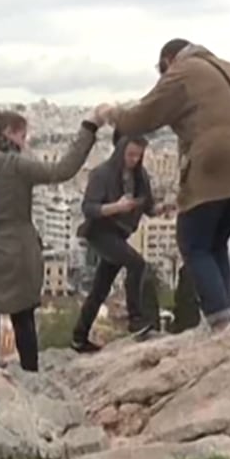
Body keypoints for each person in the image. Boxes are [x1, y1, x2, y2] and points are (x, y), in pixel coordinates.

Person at [110, 39, 230, 329]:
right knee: (215, 243)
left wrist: (112, 114)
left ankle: (220, 323)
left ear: (168, 61)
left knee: (192, 241)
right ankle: (225, 313)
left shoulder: (182, 72)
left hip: (213, 165)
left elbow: (140, 118)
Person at [0, 105, 106, 370]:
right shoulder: (14, 165)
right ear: (8, 133)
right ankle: (31, 378)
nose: (25, 143)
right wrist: (89, 127)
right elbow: (62, 170)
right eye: (23, 136)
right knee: (24, 323)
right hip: (18, 256)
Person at [70, 132, 157, 352]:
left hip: (120, 233)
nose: (134, 159)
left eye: (138, 155)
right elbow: (88, 208)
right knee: (137, 264)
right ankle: (136, 320)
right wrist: (116, 207)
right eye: (131, 154)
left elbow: (149, 206)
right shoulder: (102, 174)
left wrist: (166, 208)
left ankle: (79, 336)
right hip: (100, 232)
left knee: (100, 289)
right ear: (120, 152)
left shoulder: (140, 176)